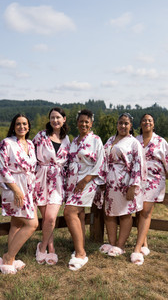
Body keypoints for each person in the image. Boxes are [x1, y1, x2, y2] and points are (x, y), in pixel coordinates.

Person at [132, 113, 168, 265]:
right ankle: (144, 244)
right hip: (137, 180)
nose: (146, 122)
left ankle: (137, 249)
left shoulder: (160, 141)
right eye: (144, 120)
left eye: (149, 120)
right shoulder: (134, 140)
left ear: (153, 124)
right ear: (140, 124)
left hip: (154, 181)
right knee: (139, 212)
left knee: (145, 212)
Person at [0, 113, 38, 274]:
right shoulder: (6, 143)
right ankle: (8, 257)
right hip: (14, 188)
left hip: (29, 188)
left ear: (28, 126)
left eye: (25, 124)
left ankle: (11, 259)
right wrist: (17, 190)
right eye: (18, 124)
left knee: (17, 223)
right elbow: (1, 168)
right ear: (13, 126)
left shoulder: (31, 144)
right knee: (32, 224)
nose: (22, 127)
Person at [63, 109, 105, 271]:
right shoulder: (74, 141)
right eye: (81, 121)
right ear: (77, 122)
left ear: (91, 123)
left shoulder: (95, 140)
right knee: (79, 214)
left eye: (87, 121)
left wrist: (86, 180)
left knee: (69, 212)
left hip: (87, 181)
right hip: (73, 181)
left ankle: (81, 254)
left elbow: (100, 163)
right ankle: (79, 247)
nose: (84, 124)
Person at [99, 113, 145, 259]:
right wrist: (101, 181)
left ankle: (121, 245)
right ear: (117, 124)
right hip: (109, 182)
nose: (123, 126)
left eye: (126, 123)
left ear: (131, 126)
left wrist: (133, 186)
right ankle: (112, 244)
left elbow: (139, 164)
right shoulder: (111, 139)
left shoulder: (134, 143)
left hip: (124, 182)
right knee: (109, 213)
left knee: (125, 214)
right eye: (120, 123)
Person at [33, 107, 70, 265]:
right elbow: (30, 156)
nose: (55, 120)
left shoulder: (67, 139)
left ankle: (42, 247)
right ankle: (51, 249)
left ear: (64, 119)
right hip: (40, 179)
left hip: (57, 182)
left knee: (50, 218)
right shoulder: (41, 136)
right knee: (46, 219)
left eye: (58, 117)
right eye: (52, 117)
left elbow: (69, 163)